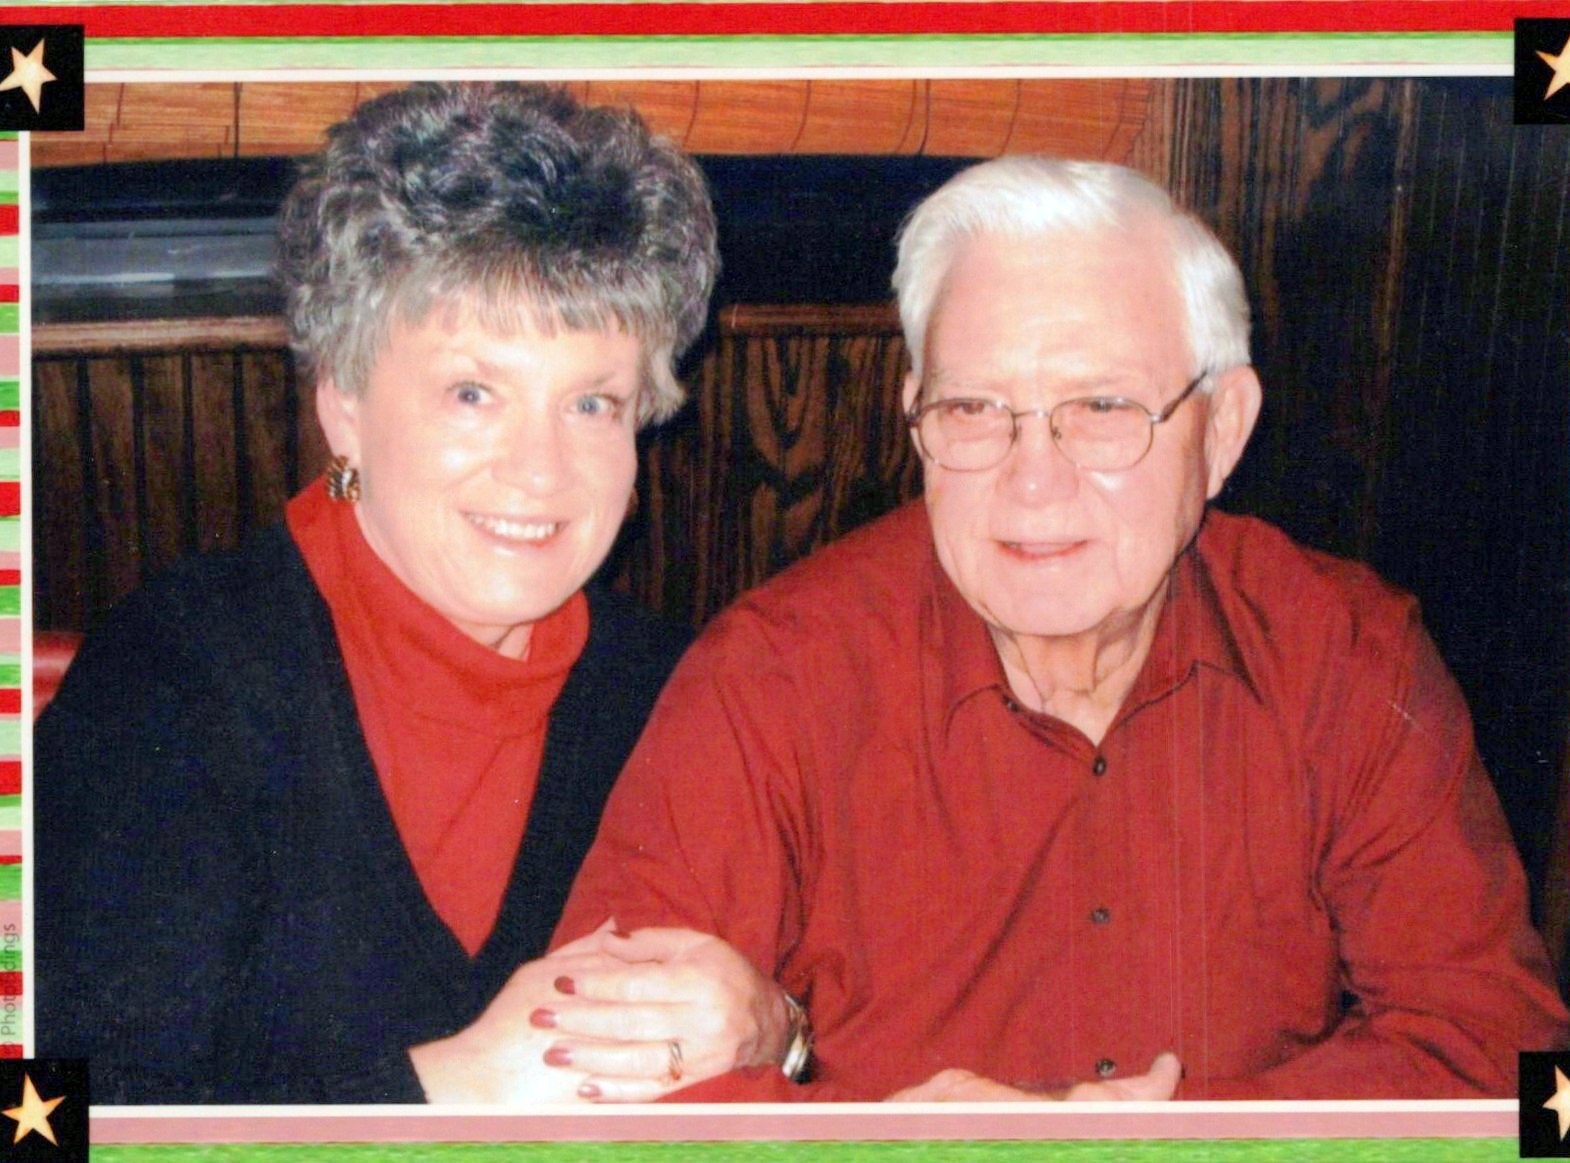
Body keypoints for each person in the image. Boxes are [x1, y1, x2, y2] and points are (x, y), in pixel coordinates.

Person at [552, 156, 1570, 1100]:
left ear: (1221, 430)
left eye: (1101, 408)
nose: (1032, 481)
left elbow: (1497, 1054)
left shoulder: (1341, 653)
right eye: (972, 409)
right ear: (916, 418)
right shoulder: (774, 676)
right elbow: (595, 1078)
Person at [34, 82, 787, 1104]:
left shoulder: (674, 689)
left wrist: (776, 1023)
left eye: (591, 402)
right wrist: (447, 1087)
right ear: (344, 405)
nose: (540, 470)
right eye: (473, 393)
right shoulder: (176, 680)